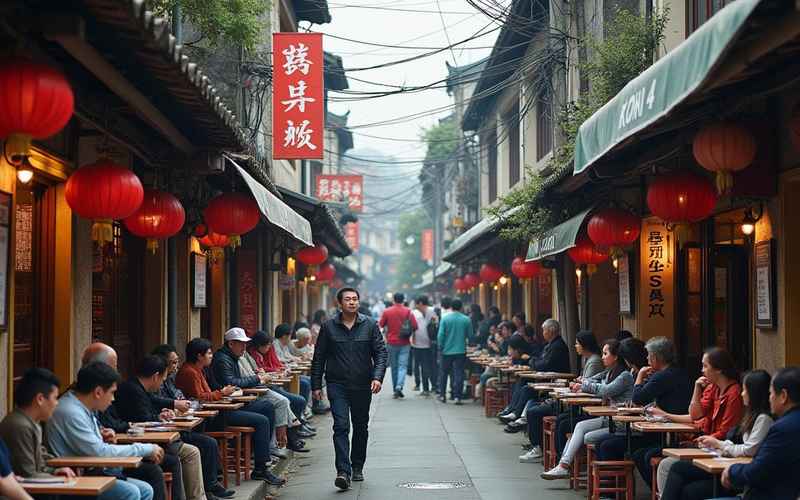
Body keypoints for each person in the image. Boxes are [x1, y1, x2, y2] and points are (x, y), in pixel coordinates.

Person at [311, 287, 387, 490]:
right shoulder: (329, 327)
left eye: (355, 299)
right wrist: (316, 384)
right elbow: (319, 357)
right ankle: (343, 471)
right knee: (341, 426)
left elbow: (380, 353)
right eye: (348, 299)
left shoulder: (370, 325)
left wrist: (377, 377)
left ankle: (357, 466)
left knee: (361, 426)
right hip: (337, 385)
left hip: (363, 385)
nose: (352, 302)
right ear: (340, 304)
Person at [47, 362, 159, 500]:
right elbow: (100, 453)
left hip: (88, 472)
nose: (112, 399)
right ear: (98, 392)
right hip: (73, 479)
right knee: (130, 492)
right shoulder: (71, 411)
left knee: (145, 490)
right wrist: (144, 449)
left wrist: (100, 435)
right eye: (112, 393)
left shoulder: (81, 406)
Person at [661, 370, 773, 500]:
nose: (742, 394)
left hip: (742, 476)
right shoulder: (751, 416)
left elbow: (749, 449)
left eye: (745, 390)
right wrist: (718, 444)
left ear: (755, 393)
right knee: (685, 484)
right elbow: (741, 445)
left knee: (681, 474)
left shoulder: (764, 419)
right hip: (732, 465)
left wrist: (718, 443)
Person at [194, 333, 286, 485]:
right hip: (221, 413)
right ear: (231, 344)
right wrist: (256, 379)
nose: (244, 347)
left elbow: (220, 387)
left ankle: (262, 453)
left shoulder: (224, 360)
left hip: (230, 405)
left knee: (268, 407)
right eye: (241, 344)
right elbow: (228, 383)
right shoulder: (221, 360)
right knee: (261, 421)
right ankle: (260, 468)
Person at [114, 355, 208, 500]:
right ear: (155, 376)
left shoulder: (137, 387)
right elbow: (142, 418)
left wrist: (161, 414)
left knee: (191, 451)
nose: (163, 382)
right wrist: (158, 417)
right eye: (163, 378)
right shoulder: (133, 390)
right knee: (181, 456)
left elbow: (148, 409)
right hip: (139, 442)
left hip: (146, 441)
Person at [651, 347, 743, 491]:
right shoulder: (713, 388)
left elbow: (726, 431)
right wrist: (696, 388)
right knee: (668, 466)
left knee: (669, 466)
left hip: (719, 450)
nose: (702, 370)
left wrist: (705, 441)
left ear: (718, 369)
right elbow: (695, 414)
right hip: (707, 445)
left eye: (705, 366)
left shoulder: (734, 393)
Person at [539, 338, 634, 476]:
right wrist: (583, 381)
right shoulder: (610, 372)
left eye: (605, 354)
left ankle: (569, 466)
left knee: (585, 435)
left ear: (616, 357)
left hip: (619, 424)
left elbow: (605, 390)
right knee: (579, 426)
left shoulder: (624, 376)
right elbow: (594, 379)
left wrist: (584, 385)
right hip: (609, 419)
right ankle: (563, 465)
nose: (602, 357)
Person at [151, 345, 233, 499]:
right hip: (170, 433)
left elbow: (183, 397)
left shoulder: (170, 379)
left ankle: (211, 486)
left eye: (177, 362)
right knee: (206, 444)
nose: (176, 366)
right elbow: (200, 396)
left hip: (181, 427)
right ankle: (209, 487)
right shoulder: (184, 373)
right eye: (173, 363)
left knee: (206, 442)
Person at [596, 337, 692, 463]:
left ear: (656, 357)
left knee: (621, 449)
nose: (647, 359)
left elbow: (637, 398)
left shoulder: (661, 376)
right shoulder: (679, 372)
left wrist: (640, 376)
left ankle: (615, 482)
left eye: (649, 355)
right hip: (667, 428)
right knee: (607, 444)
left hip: (666, 432)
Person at [720, 366, 800, 499]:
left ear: (783, 396)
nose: (769, 398)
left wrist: (731, 471)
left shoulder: (783, 428)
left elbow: (758, 470)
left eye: (771, 393)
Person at [0, 368, 76, 480]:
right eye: (55, 398)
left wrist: (56, 471)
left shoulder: (31, 422)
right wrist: (61, 479)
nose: (57, 403)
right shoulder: (20, 426)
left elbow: (40, 466)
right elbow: (28, 474)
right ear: (40, 399)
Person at [501, 319, 572, 432]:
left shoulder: (557, 346)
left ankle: (516, 414)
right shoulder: (550, 345)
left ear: (551, 331)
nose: (543, 333)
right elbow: (539, 359)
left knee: (527, 389)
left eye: (544, 330)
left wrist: (531, 360)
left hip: (553, 382)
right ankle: (514, 411)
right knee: (523, 381)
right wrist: (534, 361)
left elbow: (544, 364)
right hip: (546, 379)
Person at [378, 292, 418, 398]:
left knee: (394, 367)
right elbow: (414, 326)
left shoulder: (387, 311)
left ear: (393, 300)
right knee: (402, 366)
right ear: (403, 300)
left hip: (391, 342)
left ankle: (395, 387)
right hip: (405, 342)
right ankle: (399, 386)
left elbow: (380, 325)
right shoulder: (409, 311)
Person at [437, 298, 473, 405]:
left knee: (443, 373)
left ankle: (443, 395)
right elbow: (470, 335)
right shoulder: (466, 319)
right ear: (461, 307)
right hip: (460, 350)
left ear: (451, 307)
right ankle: (457, 397)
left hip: (446, 351)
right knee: (459, 373)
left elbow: (440, 335)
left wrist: (441, 346)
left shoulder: (445, 319)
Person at [411, 295, 435, 396]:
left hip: (418, 344)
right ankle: (427, 387)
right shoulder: (432, 311)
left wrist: (413, 339)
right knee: (428, 365)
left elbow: (415, 329)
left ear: (420, 303)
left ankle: (422, 386)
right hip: (428, 343)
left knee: (419, 365)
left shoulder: (414, 313)